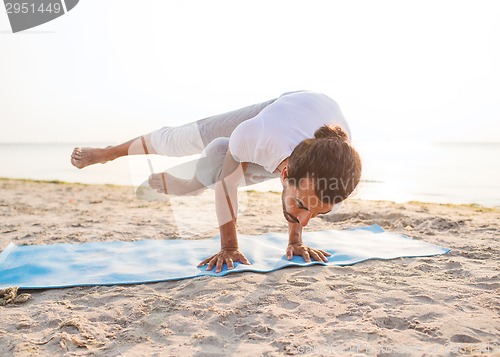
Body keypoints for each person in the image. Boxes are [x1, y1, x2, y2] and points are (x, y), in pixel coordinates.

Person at [71, 90, 362, 273]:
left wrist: (296, 240)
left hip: (312, 127)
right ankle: (109, 153)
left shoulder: (341, 164)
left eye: (316, 213)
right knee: (195, 147)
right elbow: (227, 184)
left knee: (310, 198)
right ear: (285, 175)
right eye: (302, 206)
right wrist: (229, 247)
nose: (306, 219)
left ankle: (194, 180)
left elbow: (308, 194)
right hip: (281, 110)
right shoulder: (255, 133)